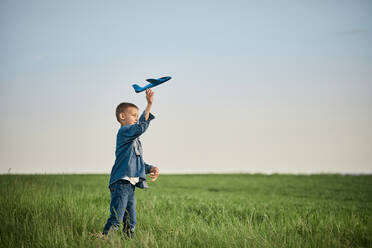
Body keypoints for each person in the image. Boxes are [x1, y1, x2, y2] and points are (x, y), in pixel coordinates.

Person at [102, 88, 159, 239]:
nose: (136, 118)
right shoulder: (124, 132)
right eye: (133, 115)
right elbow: (140, 127)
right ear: (122, 116)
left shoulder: (134, 140)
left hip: (130, 185)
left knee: (131, 220)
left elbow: (137, 161)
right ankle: (104, 239)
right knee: (117, 218)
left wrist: (150, 168)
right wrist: (149, 105)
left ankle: (128, 241)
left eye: (137, 115)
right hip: (121, 183)